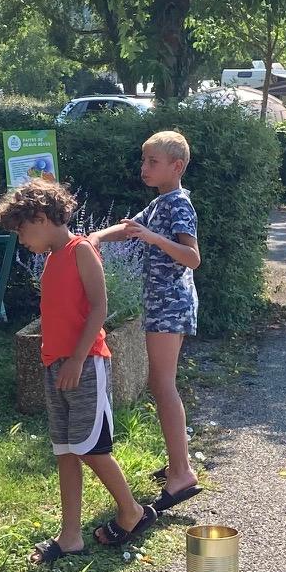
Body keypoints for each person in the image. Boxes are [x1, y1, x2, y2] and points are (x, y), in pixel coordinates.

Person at [0, 177, 155, 564]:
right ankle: (70, 536)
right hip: (56, 365)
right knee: (65, 450)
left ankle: (131, 510)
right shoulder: (51, 258)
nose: (21, 238)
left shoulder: (81, 251)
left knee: (91, 448)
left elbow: (99, 308)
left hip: (86, 364)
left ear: (43, 217)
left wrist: (78, 359)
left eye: (23, 229)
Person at [89, 129, 201, 510]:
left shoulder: (179, 205)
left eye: (152, 162)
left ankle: (182, 473)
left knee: (162, 384)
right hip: (162, 303)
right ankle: (177, 463)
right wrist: (94, 238)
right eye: (144, 161)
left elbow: (192, 257)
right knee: (161, 383)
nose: (144, 168)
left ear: (177, 166)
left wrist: (155, 240)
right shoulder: (160, 203)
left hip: (171, 303)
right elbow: (130, 229)